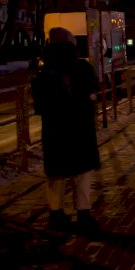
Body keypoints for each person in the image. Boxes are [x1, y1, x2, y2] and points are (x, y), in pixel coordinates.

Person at [31, 27, 101, 233]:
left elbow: (40, 105)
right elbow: (93, 91)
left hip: (55, 129)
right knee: (82, 174)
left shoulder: (44, 73)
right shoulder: (83, 68)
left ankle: (56, 214)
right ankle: (83, 214)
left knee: (56, 174)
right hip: (80, 128)